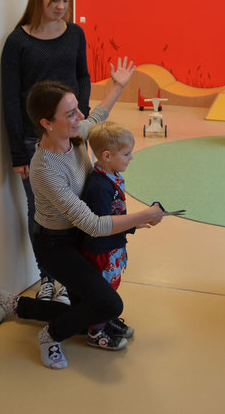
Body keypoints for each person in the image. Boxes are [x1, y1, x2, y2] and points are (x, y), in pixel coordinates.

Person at [0, 67, 165, 369]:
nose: (79, 116)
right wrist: (139, 216)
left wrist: (118, 86)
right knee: (108, 304)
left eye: (76, 109)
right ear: (46, 123)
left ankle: (12, 303)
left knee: (87, 313)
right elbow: (92, 223)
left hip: (78, 236)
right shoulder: (44, 169)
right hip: (56, 245)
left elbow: (98, 117)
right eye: (70, 113)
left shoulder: (75, 135)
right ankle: (50, 336)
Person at [1, 0, 91, 303]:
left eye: (66, 0)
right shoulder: (18, 41)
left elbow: (83, 76)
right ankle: (47, 277)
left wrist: (77, 116)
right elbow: (11, 98)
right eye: (56, 0)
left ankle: (71, 277)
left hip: (72, 136)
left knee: (76, 205)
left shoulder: (75, 34)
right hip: (33, 140)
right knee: (39, 210)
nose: (62, 6)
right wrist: (17, 153)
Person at [80, 121, 137, 345]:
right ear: (106, 156)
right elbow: (104, 224)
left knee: (112, 285)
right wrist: (133, 223)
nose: (131, 158)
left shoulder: (110, 176)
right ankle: (96, 330)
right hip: (102, 251)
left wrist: (133, 224)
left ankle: (107, 318)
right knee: (104, 290)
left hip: (112, 245)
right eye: (126, 153)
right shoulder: (99, 187)